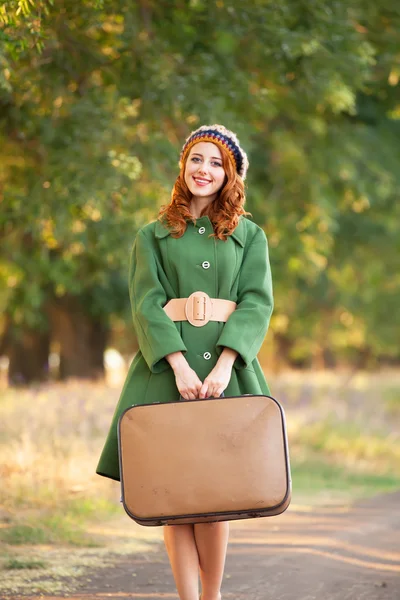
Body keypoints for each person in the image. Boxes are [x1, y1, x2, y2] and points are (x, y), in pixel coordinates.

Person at [96, 124, 274, 600]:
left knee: (216, 496)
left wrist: (221, 367)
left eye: (217, 163)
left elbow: (257, 304)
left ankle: (211, 597)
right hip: (164, 375)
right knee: (172, 496)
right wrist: (178, 364)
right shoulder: (150, 236)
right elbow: (146, 304)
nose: (205, 169)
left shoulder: (250, 237)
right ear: (183, 167)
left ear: (230, 174)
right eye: (197, 159)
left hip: (227, 377)